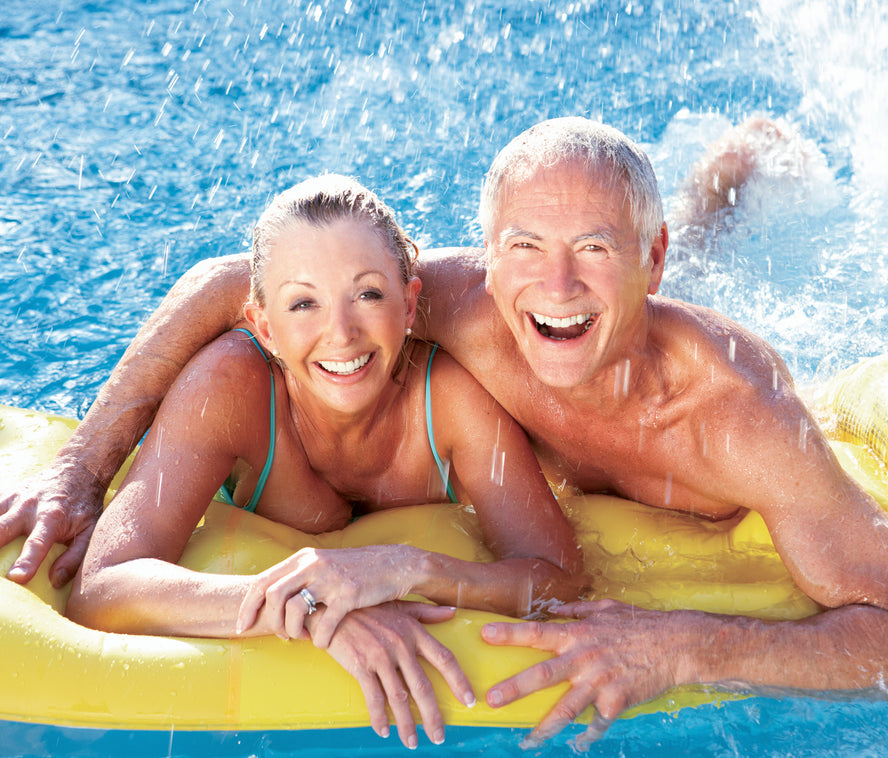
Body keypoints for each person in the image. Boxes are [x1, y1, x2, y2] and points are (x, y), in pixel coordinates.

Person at [2, 118, 888, 747]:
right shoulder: (454, 308)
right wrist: (85, 466)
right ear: (487, 261)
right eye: (526, 251)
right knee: (591, 311)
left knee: (682, 300)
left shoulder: (738, 420)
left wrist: (682, 646)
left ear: (642, 258)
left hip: (679, 397)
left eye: (595, 248)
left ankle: (720, 187)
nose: (552, 287)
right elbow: (235, 283)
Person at [61, 174, 584, 750]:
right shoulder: (232, 387)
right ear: (264, 324)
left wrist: (413, 569)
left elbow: (559, 579)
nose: (341, 334)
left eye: (368, 294)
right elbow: (101, 587)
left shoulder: (452, 400)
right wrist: (307, 611)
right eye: (303, 303)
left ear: (409, 304)